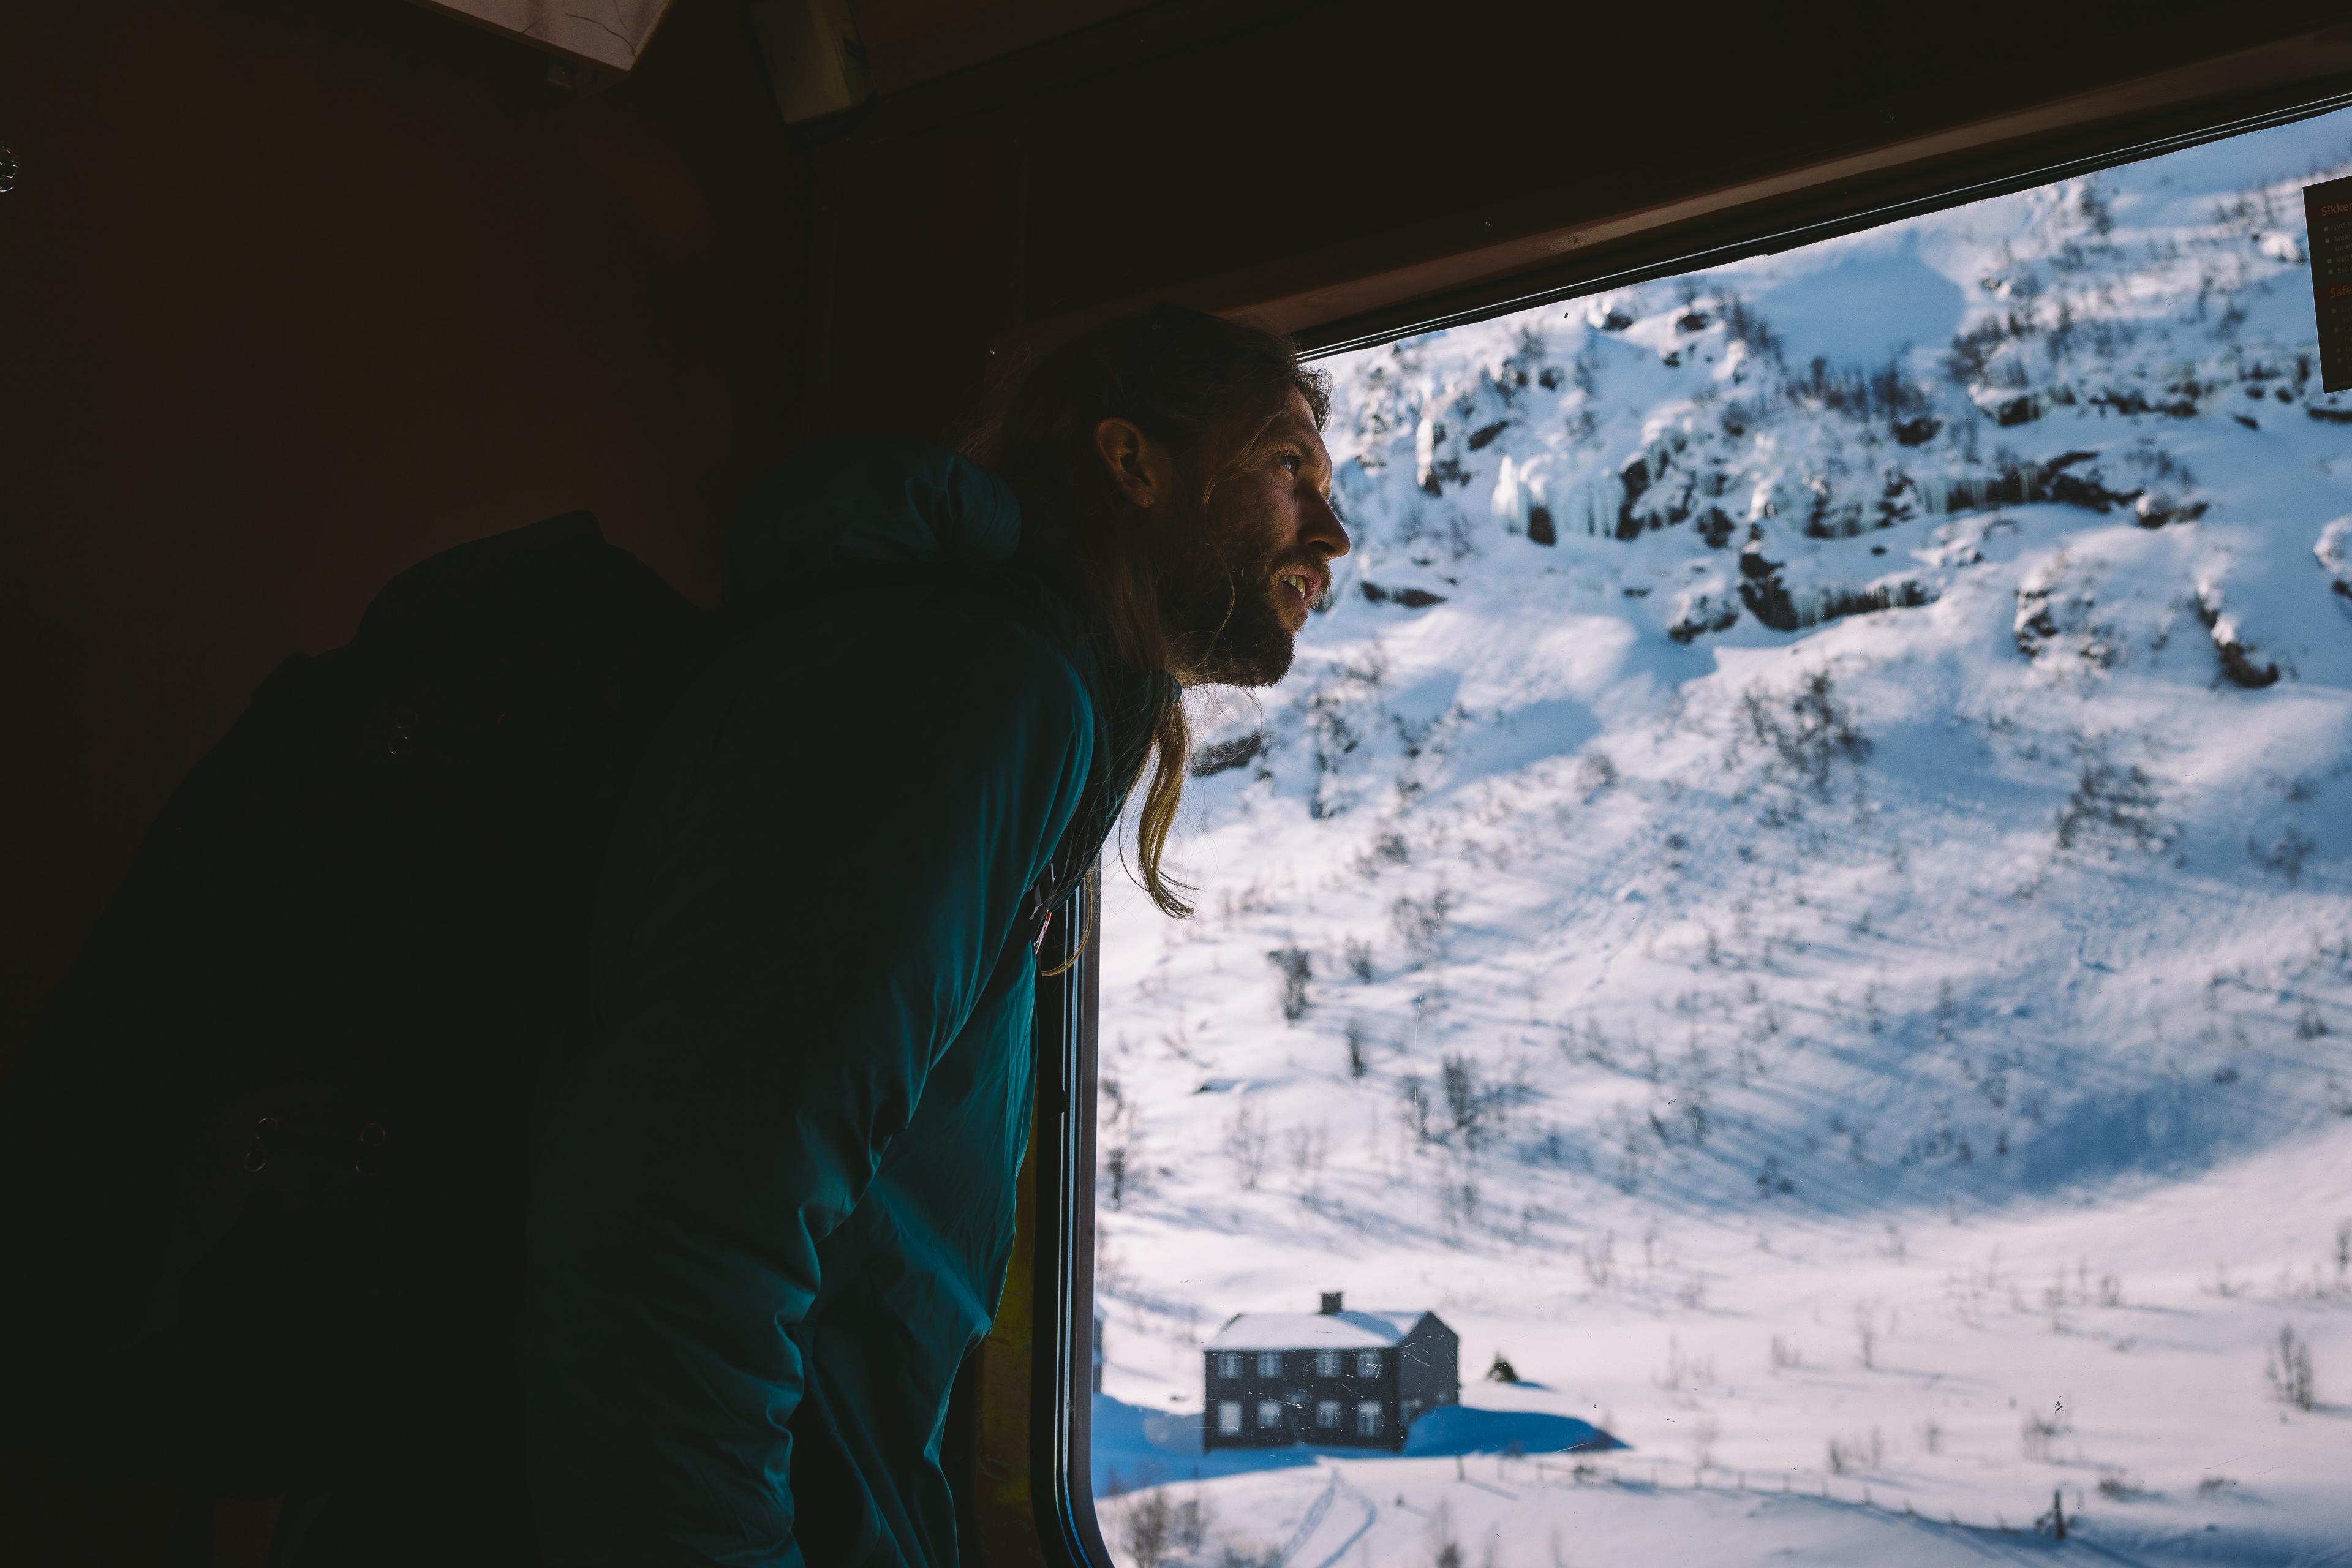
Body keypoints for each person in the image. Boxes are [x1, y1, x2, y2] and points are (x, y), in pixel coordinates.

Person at [520, 305, 1349, 1567]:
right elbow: (693, 1222)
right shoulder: (981, 686)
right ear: (1136, 464)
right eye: (1292, 468)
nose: (1334, 534)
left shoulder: (1015, 685)